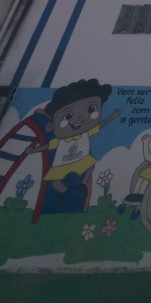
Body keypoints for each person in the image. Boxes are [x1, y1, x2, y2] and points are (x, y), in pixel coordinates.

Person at [26, 79, 120, 209]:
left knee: (90, 166)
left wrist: (112, 117)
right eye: (68, 115)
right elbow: (47, 146)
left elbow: (100, 125)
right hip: (62, 163)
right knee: (55, 183)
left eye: (91, 109)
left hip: (80, 159)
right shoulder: (60, 140)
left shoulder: (84, 133)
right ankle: (65, 192)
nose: (79, 117)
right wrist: (33, 151)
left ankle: (82, 184)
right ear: (50, 126)